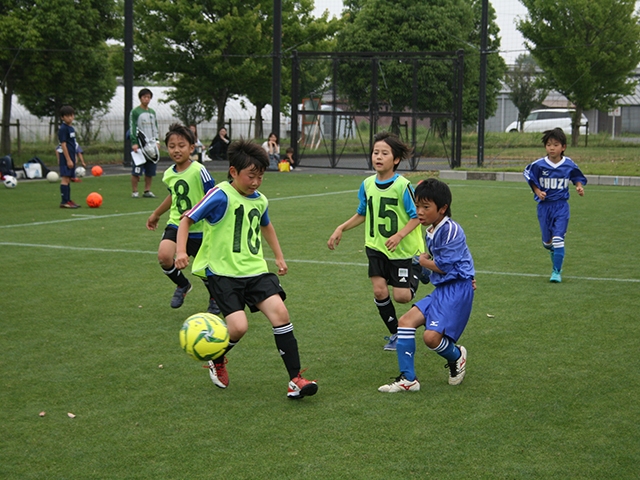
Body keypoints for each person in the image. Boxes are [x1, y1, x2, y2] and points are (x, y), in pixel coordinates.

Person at [175, 139, 318, 399]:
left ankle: (295, 379)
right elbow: (187, 219)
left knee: (281, 315)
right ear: (233, 172)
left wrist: (279, 256)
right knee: (238, 328)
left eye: (260, 177)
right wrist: (181, 251)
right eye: (251, 176)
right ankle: (216, 358)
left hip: (255, 271)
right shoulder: (220, 194)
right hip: (223, 274)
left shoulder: (260, 200)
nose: (255, 182)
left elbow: (266, 226)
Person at [327, 131, 424, 351]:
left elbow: (417, 216)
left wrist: (399, 235)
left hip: (401, 250)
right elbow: (362, 213)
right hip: (375, 247)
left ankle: (418, 269)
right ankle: (396, 334)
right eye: (375, 152)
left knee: (402, 297)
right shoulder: (367, 184)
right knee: (380, 291)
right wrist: (341, 227)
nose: (378, 157)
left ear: (396, 159)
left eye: (384, 153)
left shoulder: (402, 185)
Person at [378, 178, 475, 392]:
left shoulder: (449, 230)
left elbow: (446, 267)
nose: (419, 212)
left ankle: (457, 356)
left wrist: (421, 262)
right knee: (405, 322)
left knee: (431, 338)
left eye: (425, 207)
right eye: (418, 206)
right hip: (445, 288)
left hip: (456, 289)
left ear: (442, 208)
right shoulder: (433, 229)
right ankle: (408, 380)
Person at [146, 123, 220, 314]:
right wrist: (156, 213)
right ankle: (183, 285)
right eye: (172, 146)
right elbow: (174, 196)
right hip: (176, 224)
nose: (176, 150)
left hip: (200, 228)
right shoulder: (169, 174)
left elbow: (213, 195)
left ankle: (215, 297)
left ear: (191, 148)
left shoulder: (198, 170)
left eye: (181, 145)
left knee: (206, 271)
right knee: (164, 256)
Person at [523, 127, 586, 283]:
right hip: (544, 207)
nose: (552, 148)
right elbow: (528, 175)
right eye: (549, 144)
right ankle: (555, 253)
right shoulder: (538, 165)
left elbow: (577, 176)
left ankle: (556, 271)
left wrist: (578, 185)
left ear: (563, 147)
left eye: (556, 144)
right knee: (547, 243)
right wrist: (537, 191)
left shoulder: (569, 164)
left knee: (558, 239)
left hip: (561, 207)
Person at [130, 88, 160, 198]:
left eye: (148, 97)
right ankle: (135, 191)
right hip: (140, 144)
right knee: (137, 169)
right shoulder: (135, 112)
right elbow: (132, 126)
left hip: (151, 145)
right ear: (140, 98)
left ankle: (147, 190)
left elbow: (155, 127)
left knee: (150, 169)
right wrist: (134, 142)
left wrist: (157, 140)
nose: (146, 99)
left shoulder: (152, 112)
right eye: (144, 97)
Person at [57, 105, 81, 209]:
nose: (70, 118)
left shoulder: (71, 128)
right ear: (62, 117)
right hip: (65, 157)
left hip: (71, 156)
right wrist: (68, 159)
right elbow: (63, 144)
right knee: (65, 178)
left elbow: (73, 144)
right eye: (67, 116)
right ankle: (64, 201)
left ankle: (68, 199)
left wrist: (74, 155)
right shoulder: (63, 129)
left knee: (69, 179)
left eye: (71, 115)